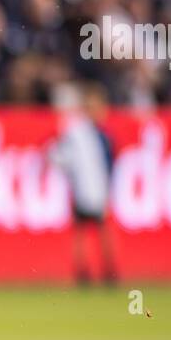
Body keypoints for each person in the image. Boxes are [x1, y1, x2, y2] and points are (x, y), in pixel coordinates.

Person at [48, 82, 118, 284]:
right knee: (87, 232)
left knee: (97, 232)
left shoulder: (99, 135)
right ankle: (85, 273)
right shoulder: (78, 132)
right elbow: (60, 155)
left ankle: (106, 272)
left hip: (96, 190)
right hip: (86, 190)